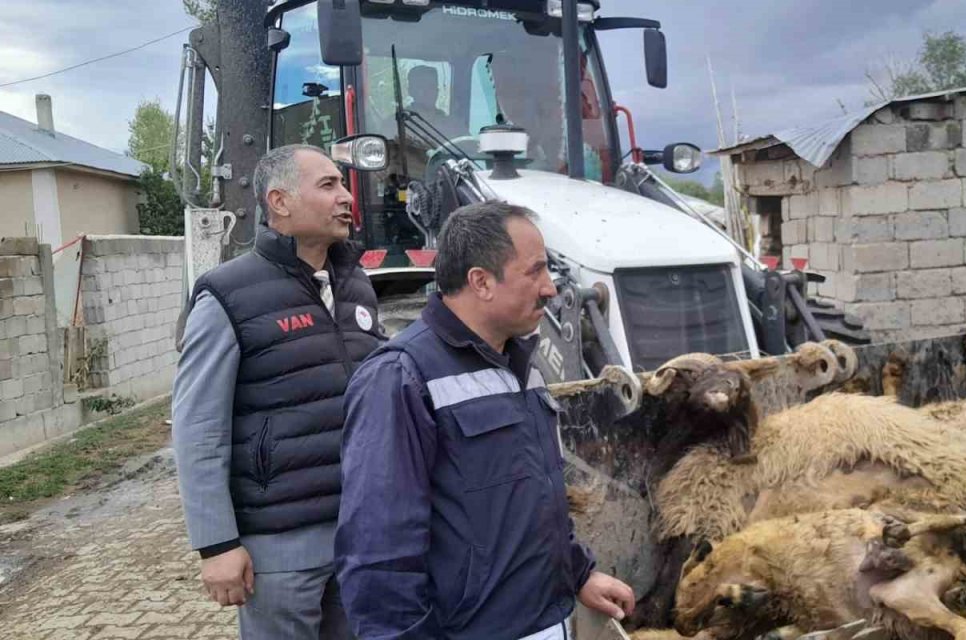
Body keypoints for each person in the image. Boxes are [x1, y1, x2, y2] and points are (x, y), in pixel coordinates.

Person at [336, 202, 635, 639]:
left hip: (547, 622)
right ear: (481, 282)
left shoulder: (520, 365)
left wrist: (580, 573)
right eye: (535, 272)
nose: (550, 288)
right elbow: (378, 552)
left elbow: (532, 498)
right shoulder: (400, 377)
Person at [172, 144, 385, 638]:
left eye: (343, 183)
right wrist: (217, 544)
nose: (346, 197)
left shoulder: (355, 284)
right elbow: (197, 428)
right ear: (280, 202)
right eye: (328, 185)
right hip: (280, 547)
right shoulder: (228, 293)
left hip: (361, 530)